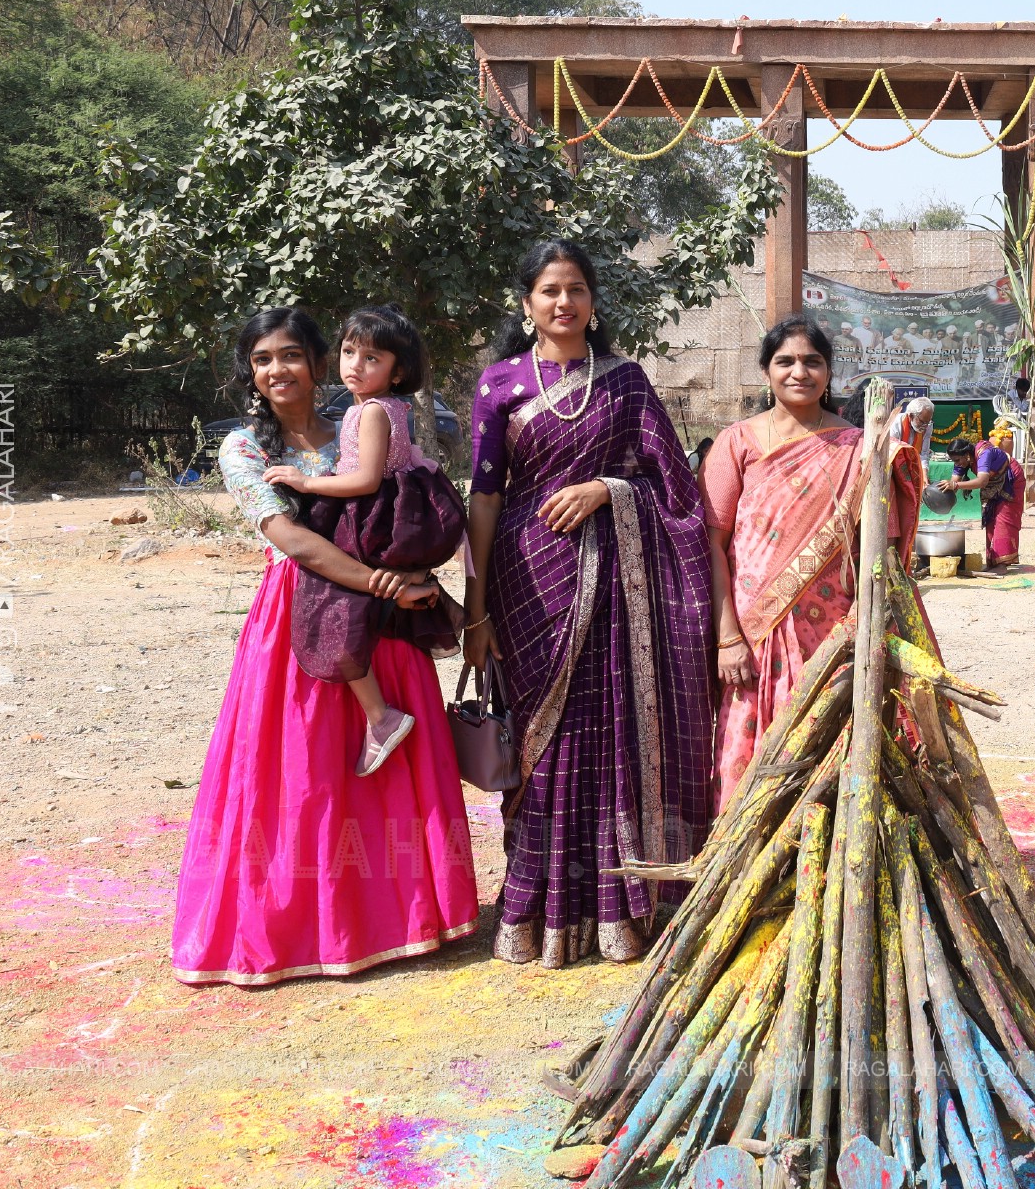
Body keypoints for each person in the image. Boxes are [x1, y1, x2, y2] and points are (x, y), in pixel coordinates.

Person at [172, 309, 478, 986]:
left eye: (288, 355)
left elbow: (396, 501)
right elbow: (290, 537)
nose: (276, 370)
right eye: (260, 360)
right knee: (302, 775)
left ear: (315, 361)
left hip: (382, 621)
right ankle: (293, 928)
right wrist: (382, 584)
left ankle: (398, 919)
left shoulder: (357, 425)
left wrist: (408, 580)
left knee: (384, 772)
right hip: (297, 623)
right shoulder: (243, 450)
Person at [464, 240, 715, 968]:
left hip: (613, 585)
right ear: (527, 304)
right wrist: (476, 608)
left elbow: (675, 490)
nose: (563, 302)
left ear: (593, 301)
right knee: (539, 747)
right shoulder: (499, 383)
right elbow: (484, 496)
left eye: (575, 288)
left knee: (607, 740)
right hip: (525, 581)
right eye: (548, 290)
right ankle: (534, 909)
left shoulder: (627, 383)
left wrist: (610, 490)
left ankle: (614, 909)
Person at [703, 315, 921, 801]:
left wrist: (869, 629)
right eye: (785, 361)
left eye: (812, 361)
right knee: (750, 750)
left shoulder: (860, 447)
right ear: (766, 371)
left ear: (828, 373)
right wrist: (727, 638)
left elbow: (878, 551)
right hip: (753, 632)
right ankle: (745, 860)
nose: (798, 371)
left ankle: (822, 865)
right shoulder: (738, 442)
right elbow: (710, 543)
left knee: (830, 741)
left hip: (833, 629)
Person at [264, 306, 465, 777]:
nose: (355, 364)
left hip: (372, 514)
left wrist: (307, 483)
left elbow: (366, 478)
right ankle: (446, 606)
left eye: (372, 358)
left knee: (332, 602)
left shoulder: (371, 411)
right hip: (391, 511)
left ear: (399, 369)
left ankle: (380, 715)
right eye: (350, 352)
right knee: (364, 593)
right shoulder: (378, 408)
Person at [939, 426, 1022, 570]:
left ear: (966, 455)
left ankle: (1003, 563)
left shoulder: (984, 454)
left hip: (1011, 480)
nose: (957, 464)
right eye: (954, 461)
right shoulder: (962, 459)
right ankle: (993, 561)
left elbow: (982, 481)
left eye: (958, 460)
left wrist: (955, 485)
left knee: (1003, 518)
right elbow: (954, 480)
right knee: (990, 517)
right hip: (993, 483)